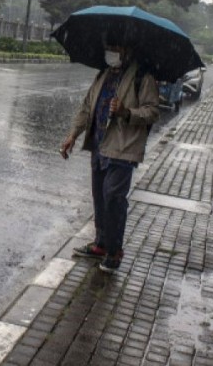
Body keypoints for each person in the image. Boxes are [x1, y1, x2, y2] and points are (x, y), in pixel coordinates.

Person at [59, 39, 160, 272]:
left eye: (115, 48)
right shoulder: (103, 75)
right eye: (108, 47)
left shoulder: (141, 77)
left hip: (124, 148)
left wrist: (127, 112)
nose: (110, 52)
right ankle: (101, 244)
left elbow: (153, 111)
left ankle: (114, 251)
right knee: (100, 197)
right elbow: (86, 108)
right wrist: (72, 135)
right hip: (99, 145)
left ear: (127, 50)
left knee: (114, 199)